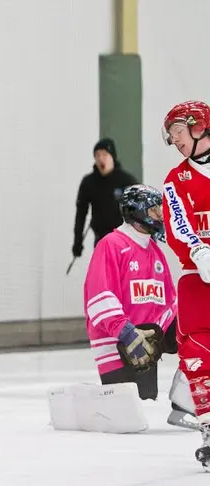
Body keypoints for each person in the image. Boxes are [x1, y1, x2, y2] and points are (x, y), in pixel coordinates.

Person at [83, 184, 196, 429]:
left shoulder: (155, 251)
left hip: (148, 342)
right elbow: (99, 296)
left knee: (199, 334)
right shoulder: (111, 245)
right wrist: (126, 331)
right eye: (155, 210)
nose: (160, 217)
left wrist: (186, 323)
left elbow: (169, 302)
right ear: (138, 211)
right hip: (118, 344)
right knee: (129, 423)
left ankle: (186, 403)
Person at [162, 100, 210, 469]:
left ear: (200, 126)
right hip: (197, 277)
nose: (175, 140)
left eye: (179, 131)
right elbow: (178, 222)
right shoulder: (177, 180)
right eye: (172, 136)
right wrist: (199, 252)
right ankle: (209, 427)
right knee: (197, 350)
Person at [72, 138, 138, 259]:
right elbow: (81, 213)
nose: (101, 158)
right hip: (101, 238)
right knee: (104, 274)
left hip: (124, 238)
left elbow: (140, 210)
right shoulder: (89, 182)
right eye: (97, 155)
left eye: (104, 154)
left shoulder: (126, 181)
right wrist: (78, 241)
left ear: (112, 157)